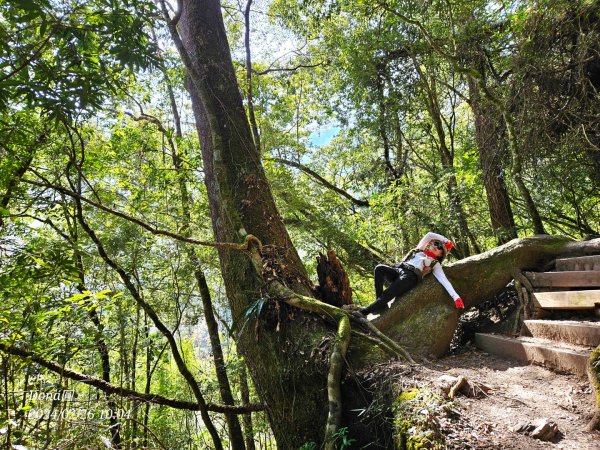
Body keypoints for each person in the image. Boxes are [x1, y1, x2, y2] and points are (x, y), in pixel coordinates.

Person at [360, 232, 464, 316]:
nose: (437, 246)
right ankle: (380, 307)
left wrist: (456, 297)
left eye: (441, 247)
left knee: (388, 293)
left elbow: (444, 280)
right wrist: (446, 240)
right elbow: (429, 235)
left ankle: (365, 311)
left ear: (441, 255)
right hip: (398, 269)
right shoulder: (420, 250)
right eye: (436, 243)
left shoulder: (435, 263)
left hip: (410, 277)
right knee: (379, 268)